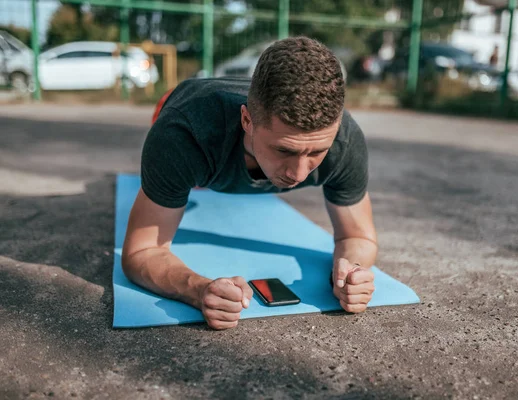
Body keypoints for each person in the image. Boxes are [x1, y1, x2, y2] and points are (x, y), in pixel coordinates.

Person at [122, 36, 378, 330]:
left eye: (317, 152)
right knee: (182, 170)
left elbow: (357, 238)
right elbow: (141, 252)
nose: (298, 174)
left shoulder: (345, 142)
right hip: (183, 103)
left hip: (235, 118)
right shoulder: (184, 133)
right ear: (247, 120)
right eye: (285, 150)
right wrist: (197, 289)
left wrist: (353, 271)